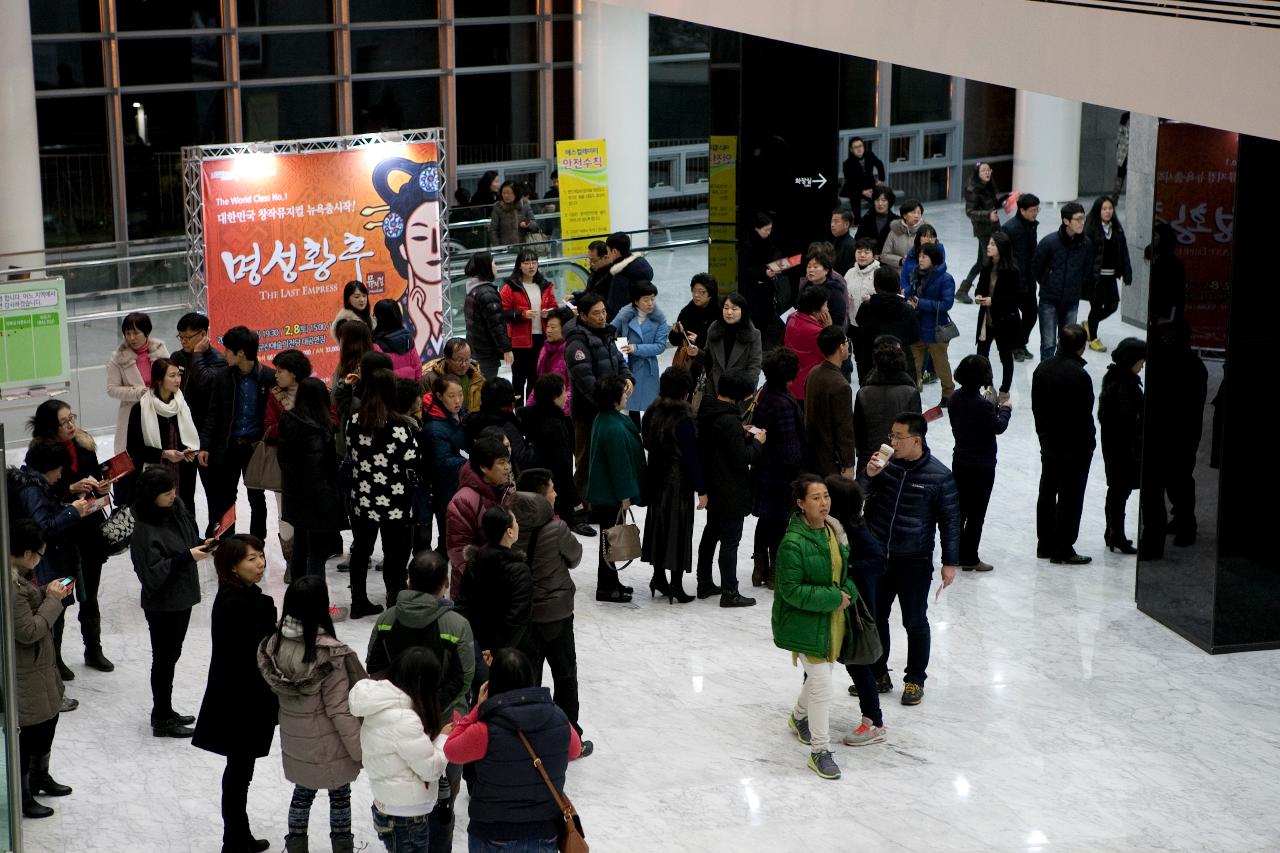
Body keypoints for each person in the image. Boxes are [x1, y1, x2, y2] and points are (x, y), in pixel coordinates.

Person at [364, 552, 473, 850]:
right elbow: (463, 677)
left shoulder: (387, 619)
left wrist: (402, 702)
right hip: (446, 722)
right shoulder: (457, 624)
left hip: (394, 720)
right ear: (446, 584)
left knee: (400, 785)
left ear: (409, 581)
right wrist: (433, 707)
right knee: (443, 792)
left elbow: (373, 667)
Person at [257, 576, 367, 853]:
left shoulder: (274, 644)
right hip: (330, 743)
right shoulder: (328, 654)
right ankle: (342, 848)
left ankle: (295, 846)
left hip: (296, 740)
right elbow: (339, 709)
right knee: (340, 796)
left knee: (302, 794)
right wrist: (360, 751)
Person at [444, 648, 583, 852]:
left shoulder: (484, 730)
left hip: (494, 833)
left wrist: (477, 709)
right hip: (544, 832)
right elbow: (575, 750)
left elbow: (451, 750)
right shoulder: (558, 717)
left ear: (493, 685)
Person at [864, 412, 960, 706]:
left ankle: (915, 679)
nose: (891, 441)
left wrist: (949, 561)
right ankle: (879, 673)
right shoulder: (886, 466)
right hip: (880, 557)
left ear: (916, 440)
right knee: (876, 618)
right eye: (891, 435)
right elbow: (859, 495)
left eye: (898, 437)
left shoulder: (939, 475)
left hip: (914, 559)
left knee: (914, 621)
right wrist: (868, 475)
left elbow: (951, 520)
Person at [192, 534, 280, 853]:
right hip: (240, 701)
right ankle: (235, 838)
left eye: (260, 556)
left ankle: (237, 835)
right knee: (239, 771)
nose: (260, 564)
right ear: (232, 566)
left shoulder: (244, 595)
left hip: (243, 697)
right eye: (251, 559)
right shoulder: (236, 602)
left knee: (241, 770)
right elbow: (256, 650)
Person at [772, 474, 855, 780]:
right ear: (800, 504)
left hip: (830, 619)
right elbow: (790, 591)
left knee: (821, 677)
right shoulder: (792, 543)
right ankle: (820, 750)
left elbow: (842, 570)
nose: (823, 503)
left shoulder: (834, 529)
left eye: (826, 496)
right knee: (821, 684)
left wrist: (848, 591)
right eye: (816, 498)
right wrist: (835, 597)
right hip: (803, 624)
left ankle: (797, 717)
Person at [26, 400, 113, 673]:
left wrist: (101, 488)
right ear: (50, 427)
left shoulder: (85, 447)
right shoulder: (40, 455)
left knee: (91, 595)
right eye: (64, 422)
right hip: (61, 538)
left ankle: (93, 648)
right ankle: (56, 657)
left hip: (89, 534)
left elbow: (98, 485)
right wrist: (70, 489)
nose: (71, 425)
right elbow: (42, 497)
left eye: (71, 418)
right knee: (58, 597)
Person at [508, 469, 587, 746]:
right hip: (557, 613)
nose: (556, 493)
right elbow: (575, 556)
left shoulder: (511, 526)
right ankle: (568, 736)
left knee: (530, 677)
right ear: (541, 495)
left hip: (523, 614)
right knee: (565, 675)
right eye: (552, 488)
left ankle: (530, 736)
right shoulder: (557, 528)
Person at [127, 467, 208, 737]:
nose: (173, 495)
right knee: (163, 660)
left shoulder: (176, 509)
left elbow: (186, 541)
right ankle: (161, 716)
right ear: (152, 496)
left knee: (172, 656)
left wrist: (203, 544)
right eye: (166, 492)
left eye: (174, 488)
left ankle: (165, 709)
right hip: (163, 605)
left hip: (182, 598)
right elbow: (152, 574)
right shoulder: (143, 530)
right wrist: (187, 557)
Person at [7, 441, 95, 688]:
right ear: (49, 467)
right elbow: (44, 526)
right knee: (50, 618)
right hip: (46, 567)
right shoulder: (32, 491)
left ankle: (54, 667)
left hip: (50, 562)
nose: (61, 475)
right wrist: (72, 512)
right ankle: (52, 675)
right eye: (59, 469)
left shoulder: (28, 483)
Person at [349, 646, 453, 853]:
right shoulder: (403, 718)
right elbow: (430, 769)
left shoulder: (384, 704)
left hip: (391, 805)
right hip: (406, 815)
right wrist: (444, 738)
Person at [9, 519, 75, 819]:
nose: (40, 559)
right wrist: (52, 600)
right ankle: (22, 794)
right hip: (25, 670)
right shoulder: (11, 586)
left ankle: (39, 777)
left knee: (47, 721)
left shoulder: (21, 576)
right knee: (29, 732)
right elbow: (26, 631)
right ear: (25, 553)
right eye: (38, 553)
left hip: (39, 668)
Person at [347, 368, 420, 615]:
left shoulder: (355, 420)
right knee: (395, 551)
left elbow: (350, 453)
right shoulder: (400, 426)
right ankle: (394, 597)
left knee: (361, 548)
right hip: (395, 499)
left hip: (363, 495)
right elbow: (412, 460)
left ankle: (358, 600)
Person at [824, 475, 889, 741]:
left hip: (855, 612)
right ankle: (805, 713)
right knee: (816, 661)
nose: (822, 500)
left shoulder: (856, 529)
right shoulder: (827, 527)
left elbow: (878, 560)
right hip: (830, 606)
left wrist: (846, 569)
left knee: (859, 666)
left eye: (827, 495)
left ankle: (874, 722)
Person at [200, 325, 276, 540]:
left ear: (241, 353)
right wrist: (205, 445)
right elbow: (213, 414)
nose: (224, 354)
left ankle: (257, 542)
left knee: (256, 497)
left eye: (227, 350)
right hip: (229, 445)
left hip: (255, 446)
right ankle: (227, 540)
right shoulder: (223, 377)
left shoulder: (268, 377)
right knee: (225, 497)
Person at [696, 369, 764, 607]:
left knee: (711, 533)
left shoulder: (708, 411)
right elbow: (742, 456)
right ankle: (730, 592)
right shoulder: (729, 420)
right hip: (731, 488)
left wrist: (740, 433)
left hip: (713, 484)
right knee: (730, 540)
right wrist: (757, 442)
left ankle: (703, 581)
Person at [1031, 324, 1096, 565]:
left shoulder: (1042, 369)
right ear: (1082, 347)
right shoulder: (1079, 375)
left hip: (1049, 443)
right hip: (1075, 446)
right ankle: (1063, 547)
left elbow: (1037, 407)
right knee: (1070, 495)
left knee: (1047, 492)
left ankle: (1044, 544)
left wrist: (1043, 436)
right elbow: (1084, 413)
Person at [641, 367, 706, 603]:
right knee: (678, 529)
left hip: (656, 476)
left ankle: (658, 576)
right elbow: (692, 457)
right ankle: (676, 585)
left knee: (658, 526)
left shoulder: (652, 410)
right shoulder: (684, 419)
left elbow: (647, 440)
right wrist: (702, 489)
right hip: (678, 482)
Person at [564, 292, 633, 504]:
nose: (602, 317)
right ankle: (584, 505)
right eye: (596, 313)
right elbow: (585, 381)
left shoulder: (605, 334)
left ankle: (601, 501)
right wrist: (611, 400)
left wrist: (628, 378)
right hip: (588, 412)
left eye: (603, 311)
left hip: (609, 407)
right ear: (583, 316)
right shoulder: (577, 343)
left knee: (606, 457)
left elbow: (619, 360)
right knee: (586, 460)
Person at [947, 355, 1013, 572]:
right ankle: (970, 556)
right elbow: (998, 427)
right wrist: (1005, 409)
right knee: (977, 514)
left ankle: (954, 554)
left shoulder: (954, 398)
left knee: (960, 510)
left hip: (961, 459)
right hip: (982, 465)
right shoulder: (982, 405)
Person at [280, 377, 348, 580]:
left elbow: (284, 461)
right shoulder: (316, 430)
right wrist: (328, 503)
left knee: (300, 552)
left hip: (294, 498)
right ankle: (318, 606)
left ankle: (298, 600)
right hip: (316, 503)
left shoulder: (288, 419)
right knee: (317, 557)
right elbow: (315, 472)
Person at [586, 374, 645, 603]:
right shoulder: (613, 427)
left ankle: (612, 583)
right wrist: (625, 496)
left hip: (604, 492)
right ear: (613, 398)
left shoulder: (604, 418)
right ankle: (606, 588)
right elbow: (619, 467)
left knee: (608, 540)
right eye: (623, 392)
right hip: (611, 495)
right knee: (609, 542)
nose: (626, 395)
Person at [750, 348, 806, 589]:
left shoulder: (762, 393)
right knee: (781, 521)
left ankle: (759, 567)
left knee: (765, 520)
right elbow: (789, 446)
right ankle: (775, 571)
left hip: (762, 466)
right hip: (781, 474)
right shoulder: (783, 402)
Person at [457, 506, 533, 680]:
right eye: (516, 523)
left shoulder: (475, 561)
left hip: (476, 645)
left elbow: (464, 603)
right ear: (509, 532)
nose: (518, 526)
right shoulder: (519, 570)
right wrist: (498, 650)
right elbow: (517, 617)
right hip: (509, 652)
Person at [127, 357, 200, 515]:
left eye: (178, 375)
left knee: (185, 508)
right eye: (172, 376)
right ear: (159, 380)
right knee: (156, 513)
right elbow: (133, 449)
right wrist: (164, 454)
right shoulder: (140, 409)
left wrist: (189, 452)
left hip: (183, 471)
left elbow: (191, 438)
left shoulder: (183, 405)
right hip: (154, 475)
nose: (177, 380)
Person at [172, 311, 227, 519]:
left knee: (213, 491)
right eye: (181, 337)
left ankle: (217, 534)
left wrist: (196, 354)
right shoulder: (176, 358)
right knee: (184, 491)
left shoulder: (217, 360)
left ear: (203, 334)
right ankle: (190, 534)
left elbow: (205, 383)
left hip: (206, 436)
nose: (183, 342)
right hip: (182, 437)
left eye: (188, 337)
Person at [445, 437, 513, 596]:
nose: (507, 468)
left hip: (502, 583)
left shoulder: (505, 493)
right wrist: (488, 578)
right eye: (501, 463)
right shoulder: (463, 501)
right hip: (474, 591)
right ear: (483, 467)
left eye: (507, 462)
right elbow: (458, 551)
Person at [1097, 338, 1147, 555]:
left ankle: (1113, 532)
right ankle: (1117, 534)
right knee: (1120, 491)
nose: (1143, 365)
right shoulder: (1125, 385)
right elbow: (1129, 419)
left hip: (1114, 446)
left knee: (1116, 491)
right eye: (1141, 361)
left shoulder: (1113, 377)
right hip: (1124, 449)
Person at [518, 373, 584, 531]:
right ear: (555, 397)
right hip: (554, 486)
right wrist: (575, 501)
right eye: (563, 392)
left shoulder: (531, 417)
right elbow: (562, 465)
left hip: (537, 481)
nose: (565, 397)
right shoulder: (554, 425)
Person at [1032, 202, 1095, 361]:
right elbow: (1036, 267)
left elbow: (1088, 269)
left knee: (1069, 343)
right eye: (1078, 219)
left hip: (1072, 300)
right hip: (1049, 299)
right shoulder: (1049, 242)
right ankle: (1045, 378)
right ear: (1066, 221)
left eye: (1083, 218)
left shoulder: (1086, 244)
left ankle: (1065, 375)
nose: (1082, 222)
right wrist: (1048, 280)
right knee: (1048, 343)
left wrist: (1076, 283)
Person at [854, 338, 922, 478]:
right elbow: (917, 431)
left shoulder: (863, 393)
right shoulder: (910, 392)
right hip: (902, 460)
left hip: (870, 459)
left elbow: (858, 431)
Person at [107, 311, 169, 462]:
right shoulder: (118, 357)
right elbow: (111, 389)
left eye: (136, 333)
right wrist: (138, 392)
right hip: (132, 413)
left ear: (146, 332)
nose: (131, 338)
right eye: (127, 333)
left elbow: (170, 377)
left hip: (160, 410)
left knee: (160, 455)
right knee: (132, 457)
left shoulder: (160, 351)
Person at [501, 249, 558, 402]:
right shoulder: (510, 286)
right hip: (519, 341)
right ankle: (518, 412)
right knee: (518, 379)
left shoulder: (545, 285)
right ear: (519, 266)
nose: (531, 266)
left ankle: (532, 411)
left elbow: (555, 307)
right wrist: (522, 314)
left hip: (541, 338)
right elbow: (502, 312)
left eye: (534, 262)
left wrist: (549, 312)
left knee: (537, 377)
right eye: (527, 263)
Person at [904, 244, 957, 406]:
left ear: (933, 259)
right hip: (917, 327)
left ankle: (948, 393)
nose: (920, 260)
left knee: (941, 365)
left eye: (924, 257)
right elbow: (910, 292)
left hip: (936, 329)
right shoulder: (916, 274)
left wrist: (921, 304)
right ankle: (912, 392)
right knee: (914, 364)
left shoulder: (945, 279)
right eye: (919, 256)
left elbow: (946, 304)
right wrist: (908, 297)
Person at [974, 230, 1023, 400]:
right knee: (981, 355)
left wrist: (993, 301)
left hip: (1004, 320)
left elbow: (1014, 297)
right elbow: (980, 286)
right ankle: (989, 386)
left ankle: (1005, 389)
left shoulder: (1012, 270)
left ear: (1002, 247)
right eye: (989, 243)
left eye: (993, 244)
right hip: (986, 320)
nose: (988, 246)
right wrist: (979, 296)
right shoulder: (987, 266)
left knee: (1005, 355)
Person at [1083, 195, 1133, 352]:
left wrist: (1127, 271)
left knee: (1112, 305)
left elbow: (1123, 251)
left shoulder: (1116, 229)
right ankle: (1092, 338)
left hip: (1111, 275)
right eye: (1104, 209)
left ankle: (1088, 325)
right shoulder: (1091, 229)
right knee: (1096, 307)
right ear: (1098, 210)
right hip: (1096, 277)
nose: (1107, 211)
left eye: (1110, 208)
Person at [611, 280, 669, 416]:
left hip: (647, 369)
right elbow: (611, 330)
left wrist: (636, 348)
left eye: (653, 299)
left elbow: (660, 346)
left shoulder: (660, 319)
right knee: (627, 405)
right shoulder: (625, 314)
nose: (650, 303)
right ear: (636, 301)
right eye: (646, 299)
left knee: (649, 408)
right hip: (627, 366)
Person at [804, 326, 856, 478]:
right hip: (831, 461)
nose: (847, 345)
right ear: (841, 347)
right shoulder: (841, 385)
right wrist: (848, 463)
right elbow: (844, 427)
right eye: (846, 342)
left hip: (812, 453)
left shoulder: (814, 372)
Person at [422, 374, 468, 544]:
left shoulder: (460, 415)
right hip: (444, 487)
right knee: (449, 534)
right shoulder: (434, 428)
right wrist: (472, 462)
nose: (458, 400)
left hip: (459, 482)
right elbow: (442, 462)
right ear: (439, 396)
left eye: (460, 394)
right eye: (452, 396)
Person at [854, 268, 920, 384]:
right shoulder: (907, 309)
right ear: (897, 284)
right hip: (900, 361)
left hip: (871, 362)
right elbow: (914, 336)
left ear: (876, 285)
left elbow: (859, 325)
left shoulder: (867, 307)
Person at [697, 291, 762, 403]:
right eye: (726, 308)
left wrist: (747, 390)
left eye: (734, 309)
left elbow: (754, 366)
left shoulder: (753, 334)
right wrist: (696, 353)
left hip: (740, 392)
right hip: (715, 389)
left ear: (743, 311)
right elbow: (708, 359)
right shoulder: (714, 329)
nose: (729, 312)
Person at [1000, 192, 1042, 362]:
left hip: (1029, 279)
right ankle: (1015, 346)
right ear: (1022, 210)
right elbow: (1003, 256)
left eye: (1037, 210)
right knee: (1014, 316)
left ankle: (1019, 343)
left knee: (1031, 314)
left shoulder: (1032, 226)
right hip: (1013, 280)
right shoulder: (1010, 228)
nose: (1036, 213)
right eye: (1033, 210)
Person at [462, 252, 514, 380]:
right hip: (486, 353)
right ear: (486, 267)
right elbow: (496, 325)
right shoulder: (487, 293)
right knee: (486, 389)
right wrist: (506, 348)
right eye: (494, 263)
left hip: (476, 350)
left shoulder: (473, 290)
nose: (496, 267)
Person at [957, 162, 1004, 303]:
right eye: (983, 170)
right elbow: (970, 212)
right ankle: (985, 291)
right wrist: (988, 215)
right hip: (983, 230)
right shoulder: (973, 189)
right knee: (987, 261)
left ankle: (963, 290)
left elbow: (994, 204)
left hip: (993, 227)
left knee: (982, 261)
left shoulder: (988, 186)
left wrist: (1008, 198)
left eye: (988, 170)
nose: (987, 172)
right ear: (977, 173)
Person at [738, 215, 786, 350]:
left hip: (767, 291)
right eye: (766, 230)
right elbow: (744, 271)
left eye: (770, 229)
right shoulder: (747, 246)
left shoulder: (768, 242)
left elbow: (775, 253)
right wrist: (764, 273)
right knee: (755, 323)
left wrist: (777, 265)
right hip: (753, 293)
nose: (769, 233)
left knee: (765, 323)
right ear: (756, 229)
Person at [669, 274, 722, 383]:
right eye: (694, 291)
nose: (696, 295)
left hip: (715, 362)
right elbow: (674, 341)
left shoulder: (721, 310)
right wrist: (676, 332)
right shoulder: (687, 311)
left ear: (710, 294)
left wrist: (699, 340)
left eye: (701, 292)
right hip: (691, 364)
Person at [526, 308, 573, 415]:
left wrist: (554, 411)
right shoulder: (545, 349)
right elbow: (540, 384)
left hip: (563, 412)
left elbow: (572, 390)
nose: (549, 330)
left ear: (565, 328)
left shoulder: (571, 351)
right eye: (547, 326)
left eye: (553, 327)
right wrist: (528, 409)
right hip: (546, 410)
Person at [421, 338, 486, 415]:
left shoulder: (477, 377)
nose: (464, 365)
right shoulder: (430, 380)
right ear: (447, 358)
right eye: (459, 360)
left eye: (467, 359)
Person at [845, 237, 880, 371]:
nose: (862, 255)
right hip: (854, 324)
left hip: (873, 326)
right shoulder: (850, 273)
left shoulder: (879, 273)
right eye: (859, 251)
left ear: (874, 255)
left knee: (873, 359)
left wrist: (873, 299)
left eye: (866, 252)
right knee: (859, 358)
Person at [603, 231, 655, 321]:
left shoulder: (621, 275)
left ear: (614, 252)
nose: (607, 255)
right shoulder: (641, 262)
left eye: (608, 251)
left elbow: (615, 308)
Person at [373, 298, 422, 381]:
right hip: (409, 388)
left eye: (374, 315)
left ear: (379, 318)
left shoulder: (375, 344)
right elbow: (417, 367)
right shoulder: (408, 338)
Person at [800, 247, 849, 330]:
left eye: (815, 267)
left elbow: (839, 320)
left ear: (826, 270)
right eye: (808, 267)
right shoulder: (806, 285)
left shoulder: (834, 290)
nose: (811, 270)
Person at [839, 136, 886, 218]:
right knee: (855, 197)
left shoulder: (869, 155)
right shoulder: (847, 163)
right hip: (854, 187)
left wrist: (880, 179)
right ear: (851, 150)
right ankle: (858, 221)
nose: (859, 149)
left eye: (860, 146)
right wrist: (862, 191)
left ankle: (880, 216)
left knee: (878, 197)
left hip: (869, 185)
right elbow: (850, 181)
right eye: (856, 147)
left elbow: (879, 164)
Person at [879, 198, 924, 279]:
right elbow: (884, 256)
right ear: (904, 215)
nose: (917, 215)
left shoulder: (925, 232)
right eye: (913, 212)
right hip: (898, 275)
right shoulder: (894, 232)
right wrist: (900, 261)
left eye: (919, 213)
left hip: (919, 275)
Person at [487, 180, 540, 248]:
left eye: (509, 193)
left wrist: (527, 223)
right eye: (504, 193)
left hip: (524, 247)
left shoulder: (525, 205)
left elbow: (535, 225)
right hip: (505, 248)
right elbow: (493, 230)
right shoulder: (498, 207)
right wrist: (498, 247)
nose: (506, 195)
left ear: (516, 193)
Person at [854, 186, 898, 257]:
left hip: (888, 261)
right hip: (868, 258)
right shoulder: (866, 219)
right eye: (877, 200)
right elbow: (858, 240)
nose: (880, 204)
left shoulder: (896, 221)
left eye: (883, 200)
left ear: (889, 202)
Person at [583, 240, 612, 304]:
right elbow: (588, 291)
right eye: (589, 259)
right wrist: (575, 296)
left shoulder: (611, 275)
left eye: (593, 260)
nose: (590, 263)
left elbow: (598, 298)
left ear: (605, 257)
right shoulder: (595, 270)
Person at [829, 207, 856, 273]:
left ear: (846, 224)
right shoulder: (835, 241)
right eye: (832, 221)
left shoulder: (851, 245)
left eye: (836, 222)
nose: (832, 225)